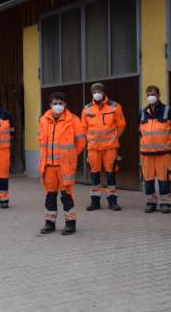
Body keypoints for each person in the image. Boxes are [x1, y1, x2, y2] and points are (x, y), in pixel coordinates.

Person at [37, 92, 86, 235]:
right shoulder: (43, 120)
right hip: (48, 166)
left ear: (65, 104)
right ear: (50, 105)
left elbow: (81, 142)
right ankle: (49, 223)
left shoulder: (74, 120)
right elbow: (40, 139)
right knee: (50, 196)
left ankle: (70, 223)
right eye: (55, 103)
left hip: (65, 166)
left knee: (66, 195)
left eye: (60, 103)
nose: (58, 106)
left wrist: (70, 156)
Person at [82, 82, 126, 211]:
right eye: (94, 92)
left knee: (111, 174)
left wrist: (114, 138)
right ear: (91, 94)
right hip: (93, 149)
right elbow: (83, 128)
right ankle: (95, 202)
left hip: (110, 148)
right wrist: (91, 140)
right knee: (94, 175)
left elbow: (121, 125)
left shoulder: (115, 106)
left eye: (99, 91)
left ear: (103, 92)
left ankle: (113, 202)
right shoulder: (86, 109)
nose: (97, 94)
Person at [139, 85, 171, 213]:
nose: (151, 97)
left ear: (159, 95)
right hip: (146, 154)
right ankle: (150, 203)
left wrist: (169, 142)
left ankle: (165, 204)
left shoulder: (168, 111)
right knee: (148, 180)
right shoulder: (142, 112)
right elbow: (140, 132)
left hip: (164, 154)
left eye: (153, 94)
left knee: (164, 180)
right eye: (148, 95)